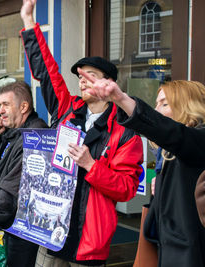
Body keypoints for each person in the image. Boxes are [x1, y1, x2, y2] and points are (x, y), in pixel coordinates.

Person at [20, 1, 144, 266]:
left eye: (91, 75)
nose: (82, 80)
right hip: (51, 231)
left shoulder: (125, 133)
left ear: (109, 84)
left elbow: (126, 189)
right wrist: (29, 21)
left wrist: (91, 165)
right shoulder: (66, 109)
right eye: (80, 76)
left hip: (90, 241)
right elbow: (45, 70)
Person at [79, 69, 205, 266]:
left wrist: (121, 99)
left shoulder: (198, 140)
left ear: (187, 105)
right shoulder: (169, 155)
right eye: (156, 104)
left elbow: (174, 134)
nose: (157, 111)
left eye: (165, 104)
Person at [0, 81, 48, 267]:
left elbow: (14, 187)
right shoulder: (14, 133)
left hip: (24, 232)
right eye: (0, 104)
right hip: (9, 226)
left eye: (6, 104)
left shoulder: (34, 137)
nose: (0, 110)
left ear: (23, 107)